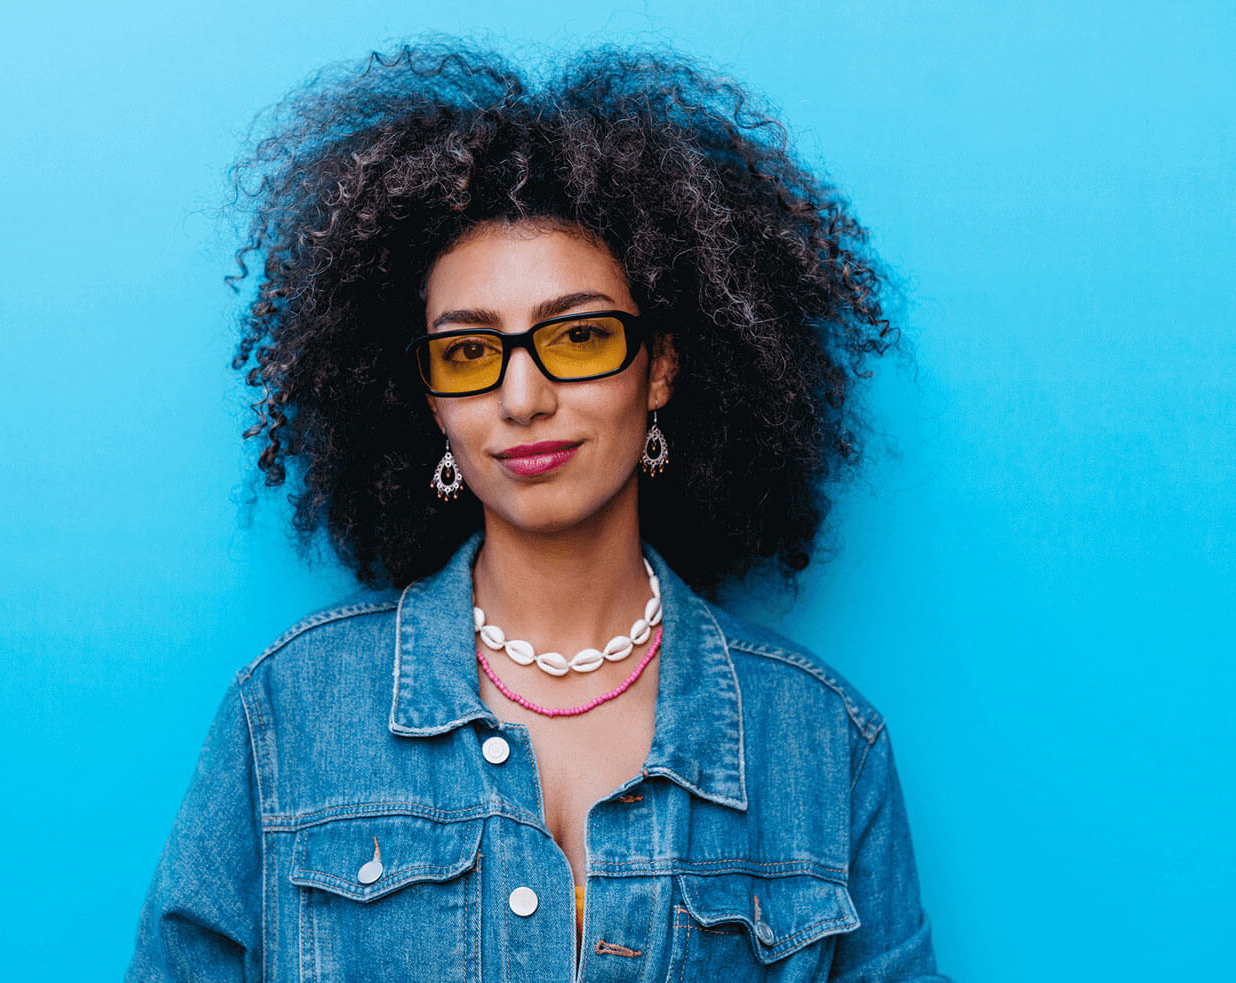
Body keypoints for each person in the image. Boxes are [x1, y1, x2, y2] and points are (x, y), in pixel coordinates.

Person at [127, 41, 949, 983]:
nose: (522, 398)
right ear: (434, 400)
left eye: (580, 335)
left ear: (662, 366)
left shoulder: (820, 741)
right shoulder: (285, 715)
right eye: (470, 353)